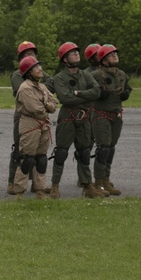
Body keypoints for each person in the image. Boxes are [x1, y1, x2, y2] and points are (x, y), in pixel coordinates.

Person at [49, 42, 103, 199]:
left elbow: (96, 92)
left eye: (77, 53)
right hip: (67, 117)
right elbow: (65, 98)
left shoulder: (86, 75)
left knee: (84, 152)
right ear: (65, 59)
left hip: (84, 117)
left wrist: (77, 93)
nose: (77, 55)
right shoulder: (59, 78)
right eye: (72, 53)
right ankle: (54, 186)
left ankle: (87, 186)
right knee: (61, 152)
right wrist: (84, 96)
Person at [12, 55, 57, 198]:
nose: (40, 69)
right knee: (27, 159)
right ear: (29, 72)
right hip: (30, 124)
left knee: (41, 158)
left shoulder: (42, 86)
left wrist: (47, 105)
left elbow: (54, 104)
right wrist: (46, 105)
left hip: (43, 124)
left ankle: (40, 189)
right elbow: (35, 108)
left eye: (39, 66)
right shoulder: (25, 88)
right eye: (36, 67)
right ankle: (19, 191)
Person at [91, 44, 132, 196]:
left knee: (111, 148)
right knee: (103, 148)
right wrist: (98, 93)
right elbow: (87, 91)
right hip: (101, 114)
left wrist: (126, 93)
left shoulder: (121, 74)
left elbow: (127, 88)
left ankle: (106, 180)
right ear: (103, 59)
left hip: (116, 114)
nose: (115, 55)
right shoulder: (96, 75)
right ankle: (98, 183)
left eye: (115, 53)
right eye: (110, 54)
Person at [7, 41, 38, 195]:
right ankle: (12, 181)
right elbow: (26, 93)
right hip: (23, 116)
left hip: (39, 116)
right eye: (26, 54)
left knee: (38, 151)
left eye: (32, 53)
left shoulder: (40, 72)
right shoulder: (17, 75)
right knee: (20, 150)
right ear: (20, 58)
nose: (30, 56)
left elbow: (50, 87)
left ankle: (36, 183)